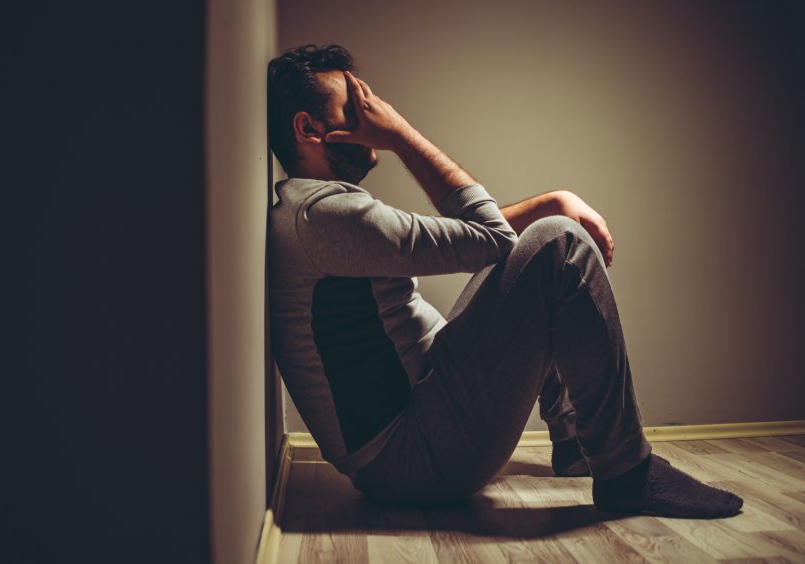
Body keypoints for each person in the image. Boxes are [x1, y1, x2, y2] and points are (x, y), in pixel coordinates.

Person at [267, 44, 743, 519]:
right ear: (308, 128)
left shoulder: (319, 210)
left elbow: (472, 241)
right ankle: (626, 472)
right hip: (408, 459)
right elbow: (490, 237)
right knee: (558, 245)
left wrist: (552, 200)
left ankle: (576, 443)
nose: (374, 112)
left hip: (423, 415)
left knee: (538, 251)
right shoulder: (326, 216)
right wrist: (401, 135)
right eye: (354, 106)